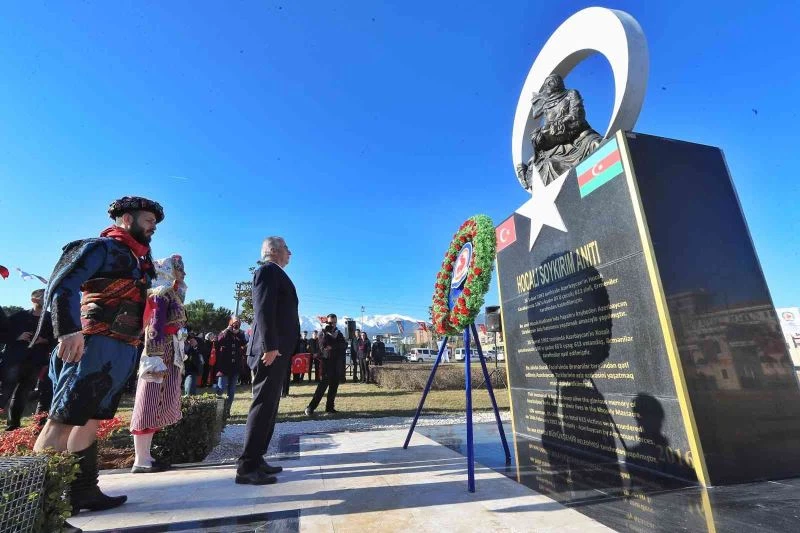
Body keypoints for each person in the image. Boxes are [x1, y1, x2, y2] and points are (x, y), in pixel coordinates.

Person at [32, 196, 163, 514]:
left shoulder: (140, 260)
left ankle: (83, 492)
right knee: (61, 421)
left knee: (90, 419)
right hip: (90, 346)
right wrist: (68, 330)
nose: (153, 227)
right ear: (126, 219)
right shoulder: (97, 247)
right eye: (148, 220)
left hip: (120, 349)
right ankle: (41, 509)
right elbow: (63, 286)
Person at [236, 236, 299, 485]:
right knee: (262, 405)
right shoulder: (266, 271)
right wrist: (270, 346)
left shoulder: (277, 273)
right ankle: (247, 466)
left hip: (277, 351)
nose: (290, 253)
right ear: (273, 250)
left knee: (270, 406)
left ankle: (257, 457)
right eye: (286, 248)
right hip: (269, 351)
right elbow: (263, 309)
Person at [129, 255, 188, 473]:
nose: (183, 273)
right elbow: (154, 325)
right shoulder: (159, 293)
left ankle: (146, 456)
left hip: (170, 350)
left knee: (158, 402)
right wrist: (155, 357)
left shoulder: (170, 292)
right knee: (149, 399)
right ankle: (141, 459)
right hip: (160, 352)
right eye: (180, 269)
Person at [0, 289, 56, 430]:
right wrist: (17, 337)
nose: (45, 298)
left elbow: (57, 339)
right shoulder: (18, 317)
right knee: (4, 392)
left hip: (35, 362)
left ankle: (13, 425)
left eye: (47, 296)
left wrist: (44, 340)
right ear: (33, 299)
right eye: (42, 296)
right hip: (14, 361)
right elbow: (2, 334)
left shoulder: (52, 318)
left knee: (21, 395)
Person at [305, 314, 346, 416]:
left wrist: (333, 346)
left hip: (336, 363)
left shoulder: (338, 333)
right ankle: (310, 407)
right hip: (326, 363)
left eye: (335, 322)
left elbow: (344, 345)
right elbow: (323, 346)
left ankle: (330, 408)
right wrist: (333, 342)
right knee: (322, 387)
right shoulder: (322, 332)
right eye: (331, 322)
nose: (333, 324)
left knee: (334, 387)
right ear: (327, 322)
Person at [216, 317, 247, 412]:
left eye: (238, 323)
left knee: (231, 390)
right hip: (224, 366)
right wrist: (227, 330)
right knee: (221, 389)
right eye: (234, 322)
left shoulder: (240, 333)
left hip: (235, 366)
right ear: (230, 323)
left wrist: (238, 333)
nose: (236, 324)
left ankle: (227, 411)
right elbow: (219, 341)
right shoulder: (225, 332)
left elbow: (244, 343)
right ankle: (219, 411)